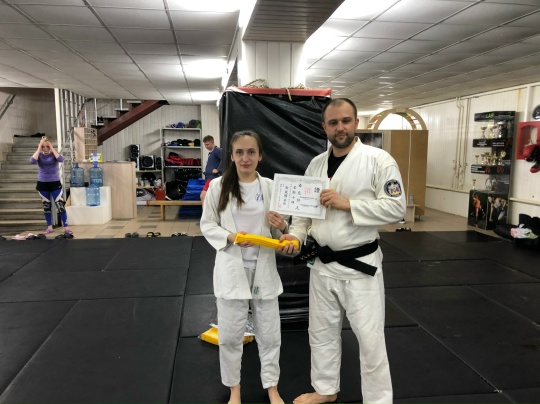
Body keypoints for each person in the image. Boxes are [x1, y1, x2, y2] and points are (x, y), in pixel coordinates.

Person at [279, 98, 406, 404]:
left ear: (356, 123)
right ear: (324, 127)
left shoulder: (378, 160)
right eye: (333, 122)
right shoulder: (316, 164)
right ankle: (325, 390)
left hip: (360, 265)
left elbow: (396, 208)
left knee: (370, 339)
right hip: (322, 265)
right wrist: (294, 236)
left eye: (346, 121)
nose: (340, 128)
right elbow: (303, 216)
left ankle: (378, 400)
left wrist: (347, 203)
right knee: (320, 333)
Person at [200, 130, 290, 404]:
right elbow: (207, 224)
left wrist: (283, 227)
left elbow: (282, 232)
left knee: (270, 334)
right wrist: (230, 237)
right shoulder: (218, 186)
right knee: (230, 336)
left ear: (260, 155)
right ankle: (234, 389)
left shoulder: (271, 187)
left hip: (263, 268)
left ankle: (272, 387)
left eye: (251, 152)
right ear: (231, 155)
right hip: (232, 267)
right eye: (239, 152)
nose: (245, 158)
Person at [30, 136, 73, 236]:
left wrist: (52, 148)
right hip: (42, 183)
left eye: (47, 146)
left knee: (60, 205)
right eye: (43, 147)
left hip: (54, 183)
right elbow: (32, 161)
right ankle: (49, 226)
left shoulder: (54, 154)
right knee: (46, 206)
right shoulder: (39, 155)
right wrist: (39, 147)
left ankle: (66, 226)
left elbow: (61, 159)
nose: (45, 149)